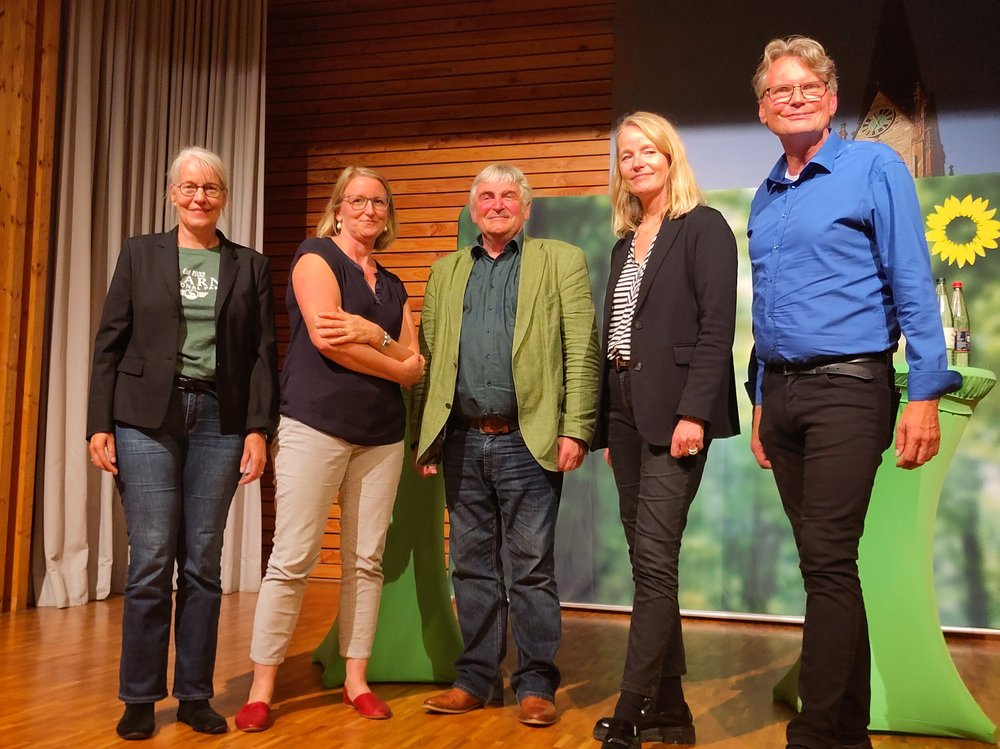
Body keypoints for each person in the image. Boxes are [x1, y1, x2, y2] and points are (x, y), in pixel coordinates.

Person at [748, 37, 962, 749]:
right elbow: (766, 308)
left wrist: (925, 390)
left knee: (830, 558)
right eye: (781, 90)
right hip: (781, 397)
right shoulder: (765, 193)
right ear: (763, 109)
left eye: (809, 86)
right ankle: (846, 734)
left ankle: (814, 733)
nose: (796, 97)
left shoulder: (874, 164)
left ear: (833, 100)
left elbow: (911, 275)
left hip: (849, 386)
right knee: (825, 568)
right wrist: (757, 401)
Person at [87, 146, 279, 740]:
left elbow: (262, 357)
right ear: (172, 193)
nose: (201, 197)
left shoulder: (249, 265)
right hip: (145, 419)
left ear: (225, 197)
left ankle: (196, 693)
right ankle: (139, 698)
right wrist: (99, 422)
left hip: (220, 423)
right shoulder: (140, 254)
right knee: (149, 562)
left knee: (202, 563)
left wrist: (257, 429)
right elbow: (110, 342)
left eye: (212, 188)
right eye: (190, 187)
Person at [235, 166, 425, 732]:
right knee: (292, 560)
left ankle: (356, 680)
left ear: (387, 215)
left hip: (383, 437)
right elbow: (325, 338)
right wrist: (392, 356)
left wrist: (373, 335)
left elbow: (414, 369)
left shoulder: (392, 286)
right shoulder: (316, 256)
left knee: (365, 563)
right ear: (339, 208)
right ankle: (261, 688)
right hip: (315, 426)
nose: (369, 210)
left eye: (379, 203)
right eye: (358, 200)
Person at [411, 163, 600, 727]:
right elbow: (430, 359)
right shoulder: (445, 273)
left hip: (529, 440)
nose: (497, 205)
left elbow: (582, 350)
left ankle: (536, 683)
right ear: (473, 209)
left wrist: (577, 427)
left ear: (525, 207)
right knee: (470, 568)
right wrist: (427, 436)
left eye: (508, 196)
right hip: (463, 442)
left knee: (531, 569)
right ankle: (475, 679)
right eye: (486, 197)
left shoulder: (560, 261)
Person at [589, 112, 740, 749]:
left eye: (649, 150)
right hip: (624, 413)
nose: (638, 162)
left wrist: (695, 413)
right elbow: (614, 340)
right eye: (627, 155)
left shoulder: (703, 228)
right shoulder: (626, 241)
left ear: (671, 156)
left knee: (654, 563)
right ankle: (672, 709)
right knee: (648, 562)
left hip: (676, 412)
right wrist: (602, 426)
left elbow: (714, 329)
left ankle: (630, 708)